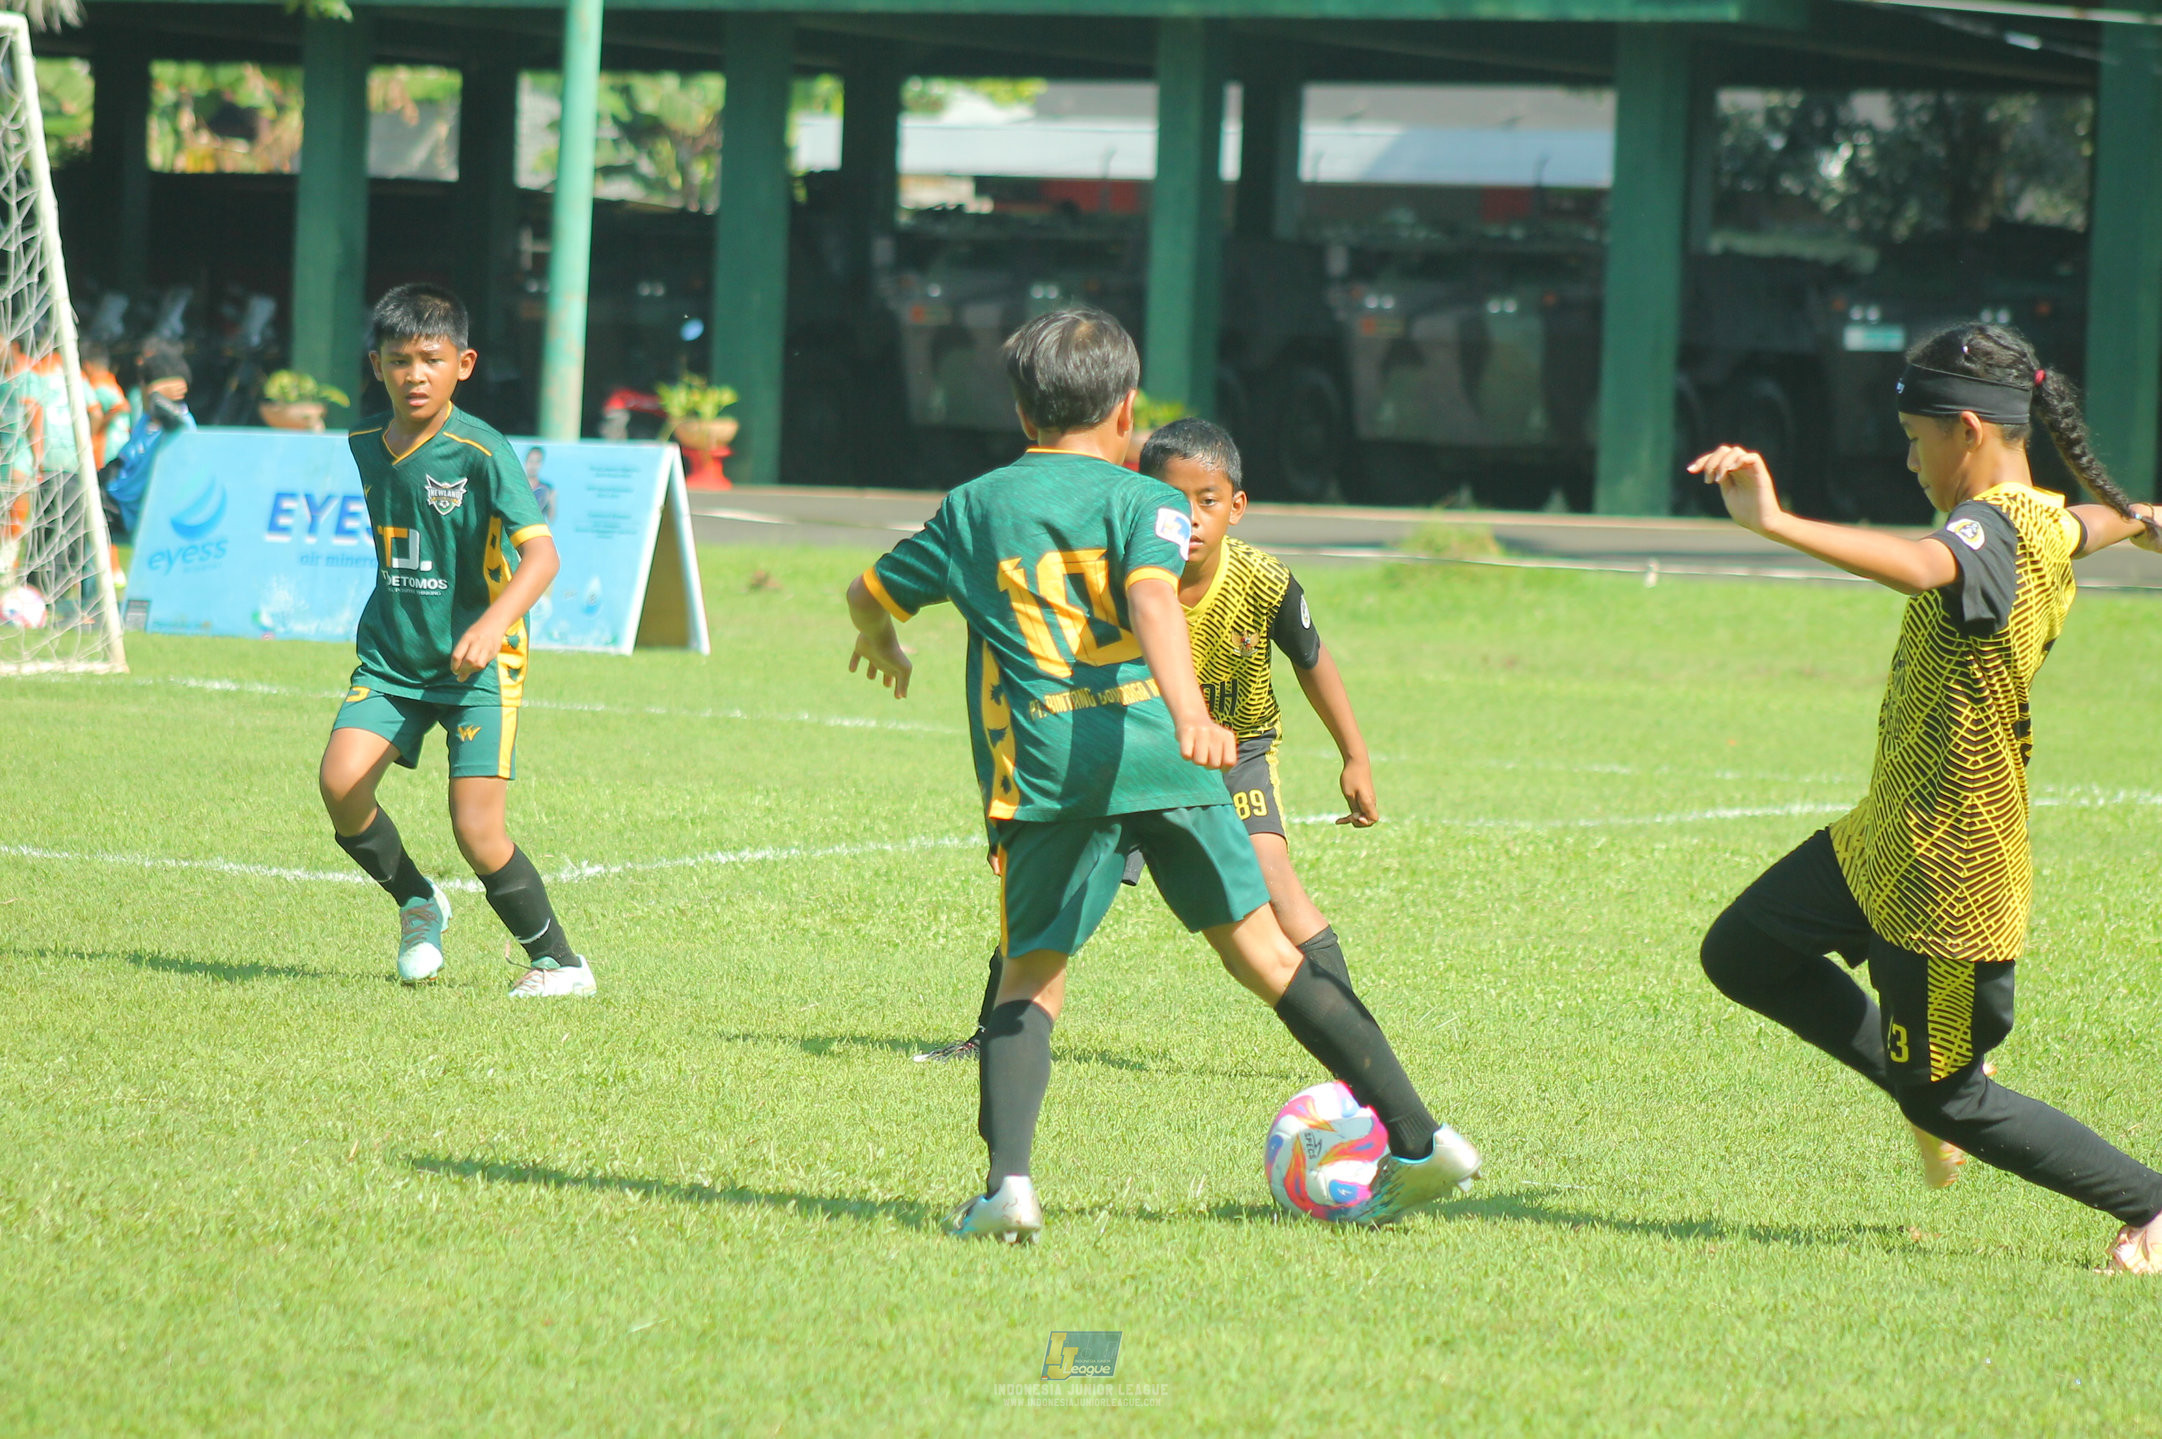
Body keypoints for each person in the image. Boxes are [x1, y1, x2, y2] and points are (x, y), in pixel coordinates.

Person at [844, 308, 1477, 1241]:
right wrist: (1187, 714)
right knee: (1267, 955)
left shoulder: (975, 506)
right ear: (1128, 410)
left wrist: (884, 639)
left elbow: (865, 592)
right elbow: (1150, 592)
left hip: (1056, 771)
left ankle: (1008, 1186)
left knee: (1031, 980)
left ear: (1021, 412)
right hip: (1164, 758)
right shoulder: (1151, 503)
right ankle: (1424, 1140)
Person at [1691, 322, 2162, 1273]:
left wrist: (1773, 523)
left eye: (1917, 439)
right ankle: (1924, 1074)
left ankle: (2150, 1202)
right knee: (1740, 953)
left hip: (1949, 877)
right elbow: (2086, 526)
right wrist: (2144, 516)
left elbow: (1920, 563)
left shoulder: (1984, 527)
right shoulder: (2042, 520)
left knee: (1946, 1098)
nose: (1910, 460)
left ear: (1970, 433)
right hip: (1883, 844)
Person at [917, 416, 1379, 1065]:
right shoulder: (1117, 573)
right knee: (1055, 885)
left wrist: (1353, 754)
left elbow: (1312, 658)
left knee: (1275, 879)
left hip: (1236, 750)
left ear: (1237, 507)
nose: (1189, 518)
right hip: (1137, 742)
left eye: (1207, 501)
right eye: (1172, 498)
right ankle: (993, 1034)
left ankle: (1356, 1043)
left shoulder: (1264, 581)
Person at [316, 283, 594, 998]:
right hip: (393, 655)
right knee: (341, 784)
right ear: (376, 365)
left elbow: (543, 557)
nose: (415, 374)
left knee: (476, 829)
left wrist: (492, 620)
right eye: (399, 359)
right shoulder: (362, 445)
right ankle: (417, 901)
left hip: (480, 663)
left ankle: (561, 964)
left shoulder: (482, 450)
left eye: (431, 359)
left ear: (463, 364)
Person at [98, 343, 193, 544]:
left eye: (142, 384)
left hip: (134, 513)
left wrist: (157, 391)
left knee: (73, 505)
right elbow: (124, 460)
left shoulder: (179, 425)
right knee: (62, 487)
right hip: (115, 500)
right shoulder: (146, 421)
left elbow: (170, 416)